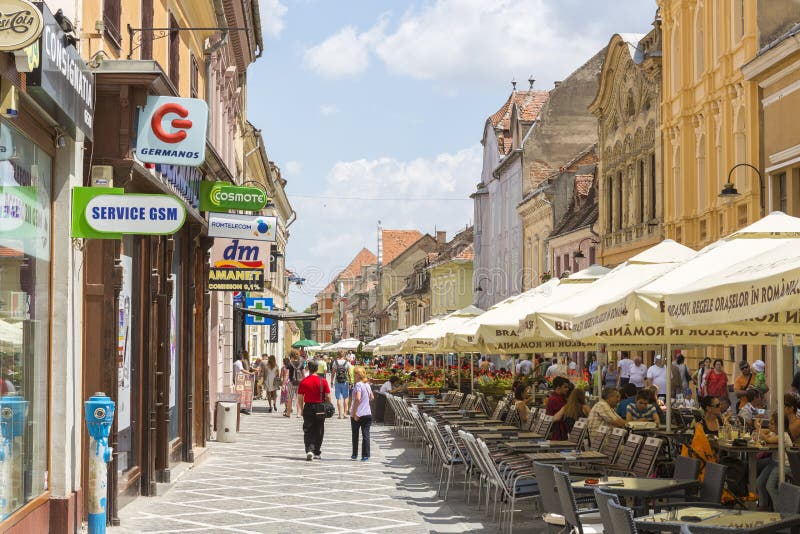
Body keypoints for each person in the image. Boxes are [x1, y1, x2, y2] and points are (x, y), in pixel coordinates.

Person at [756, 406, 797, 510]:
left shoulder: (784, 435)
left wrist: (758, 428)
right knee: (759, 482)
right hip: (774, 462)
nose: (769, 425)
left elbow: (768, 440)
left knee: (770, 486)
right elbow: (766, 432)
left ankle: (778, 510)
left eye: (772, 423)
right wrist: (762, 429)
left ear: (780, 425)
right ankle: (763, 506)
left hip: (785, 465)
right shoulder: (775, 433)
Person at [297, 360, 331, 461]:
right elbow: (328, 396)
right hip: (320, 407)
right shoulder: (323, 381)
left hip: (308, 407)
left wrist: (301, 409)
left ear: (308, 368)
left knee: (308, 429)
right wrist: (329, 405)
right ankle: (317, 452)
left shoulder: (304, 381)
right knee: (319, 429)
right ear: (317, 369)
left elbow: (300, 398)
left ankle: (309, 450)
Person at [350, 366, 374, 461]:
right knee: (366, 435)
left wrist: (355, 412)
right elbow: (372, 397)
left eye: (354, 374)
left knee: (355, 434)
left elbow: (358, 398)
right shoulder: (367, 385)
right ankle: (365, 455)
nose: (353, 375)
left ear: (358, 375)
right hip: (367, 413)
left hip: (358, 414)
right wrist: (366, 402)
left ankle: (354, 454)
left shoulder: (358, 385)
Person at [332, 351, 352, 419]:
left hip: (337, 382)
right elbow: (349, 374)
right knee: (345, 397)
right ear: (344, 355)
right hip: (345, 382)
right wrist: (350, 382)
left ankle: (340, 414)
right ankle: (345, 414)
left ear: (338, 355)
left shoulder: (335, 362)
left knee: (338, 398)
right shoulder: (347, 363)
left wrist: (331, 381)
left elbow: (333, 373)